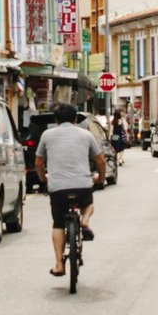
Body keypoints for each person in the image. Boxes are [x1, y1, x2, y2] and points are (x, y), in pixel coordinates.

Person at [35, 104, 105, 277]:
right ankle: (85, 221)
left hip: (57, 188)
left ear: (56, 120)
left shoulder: (47, 135)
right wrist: (100, 178)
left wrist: (44, 179)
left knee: (58, 223)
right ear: (75, 119)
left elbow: (38, 162)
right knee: (88, 205)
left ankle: (59, 264)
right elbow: (101, 161)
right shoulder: (86, 135)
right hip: (82, 186)